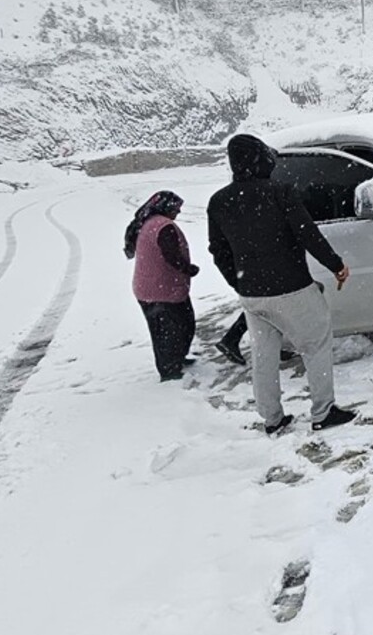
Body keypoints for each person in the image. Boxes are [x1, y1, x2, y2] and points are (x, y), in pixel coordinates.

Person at [206, 133, 355, 436]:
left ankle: (272, 419)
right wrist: (336, 265)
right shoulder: (280, 192)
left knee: (264, 354)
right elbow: (308, 235)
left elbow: (218, 251)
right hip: (293, 289)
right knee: (316, 345)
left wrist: (239, 284)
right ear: (260, 159)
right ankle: (323, 412)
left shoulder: (219, 201)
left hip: (252, 295)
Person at [124, 190, 199, 382]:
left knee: (177, 326)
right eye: (176, 208)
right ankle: (169, 371)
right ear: (166, 207)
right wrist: (188, 269)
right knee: (170, 331)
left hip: (154, 288)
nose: (178, 213)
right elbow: (171, 256)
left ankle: (175, 359)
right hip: (160, 290)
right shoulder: (163, 226)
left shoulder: (150, 222)